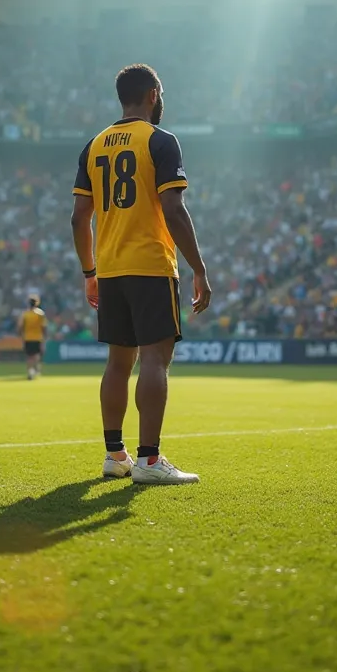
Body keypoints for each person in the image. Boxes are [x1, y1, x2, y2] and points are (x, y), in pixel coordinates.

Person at [71, 63, 211, 486]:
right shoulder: (160, 141)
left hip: (110, 268)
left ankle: (116, 455)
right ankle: (149, 460)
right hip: (150, 264)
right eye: (161, 93)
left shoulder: (94, 146)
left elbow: (79, 218)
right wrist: (199, 269)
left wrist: (89, 272)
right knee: (155, 359)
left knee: (117, 363)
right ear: (152, 94)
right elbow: (173, 209)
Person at [19, 296, 47, 380]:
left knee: (29, 356)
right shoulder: (40, 313)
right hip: (38, 337)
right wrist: (45, 336)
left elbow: (21, 326)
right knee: (36, 355)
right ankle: (36, 369)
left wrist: (21, 335)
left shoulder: (25, 314)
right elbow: (43, 326)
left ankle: (30, 371)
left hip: (27, 337)